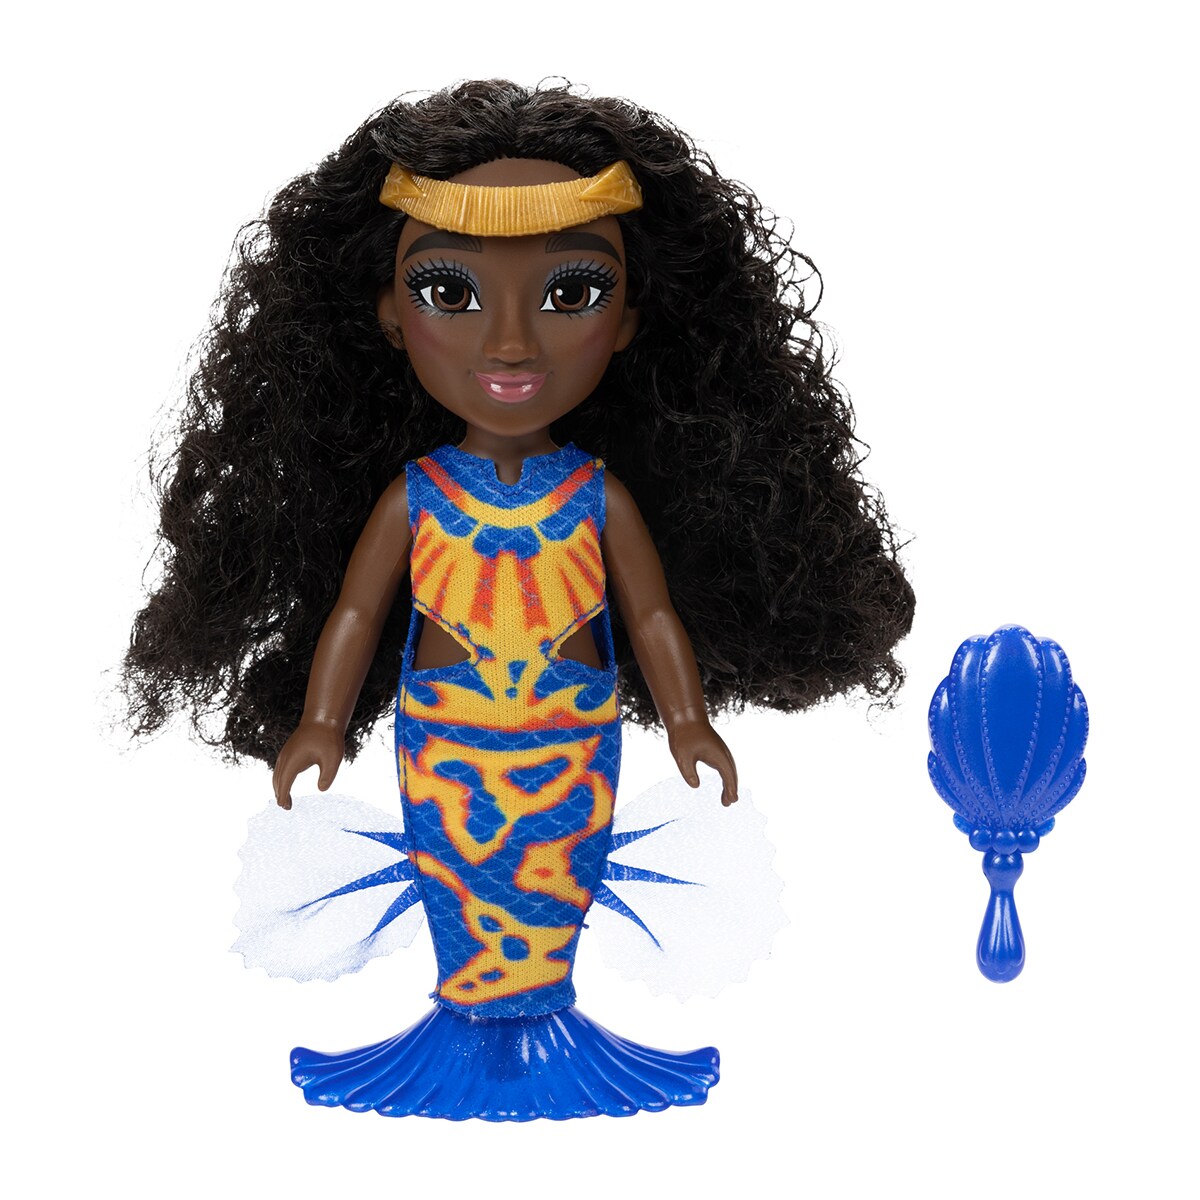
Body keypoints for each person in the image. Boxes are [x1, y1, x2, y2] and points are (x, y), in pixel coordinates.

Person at [125, 80, 915, 1120]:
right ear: (387, 314)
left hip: (569, 740)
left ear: (629, 322)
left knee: (550, 879)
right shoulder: (419, 496)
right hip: (446, 740)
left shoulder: (596, 496)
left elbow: (652, 618)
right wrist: (320, 720)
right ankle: (463, 1022)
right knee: (461, 882)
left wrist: (688, 721)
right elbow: (357, 616)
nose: (509, 345)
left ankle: (547, 1017)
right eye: (447, 291)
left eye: (571, 292)